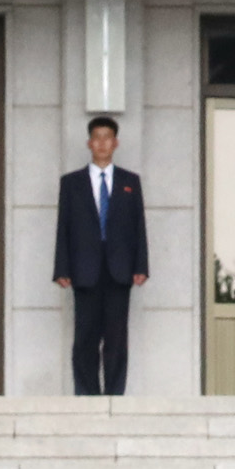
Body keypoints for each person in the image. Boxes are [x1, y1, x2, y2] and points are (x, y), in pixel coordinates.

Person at [54, 114, 149, 397]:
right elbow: (64, 227)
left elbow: (138, 226)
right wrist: (62, 268)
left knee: (117, 338)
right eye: (97, 138)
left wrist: (141, 265)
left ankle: (115, 396)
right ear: (89, 143)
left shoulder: (130, 181)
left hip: (120, 270)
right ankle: (86, 395)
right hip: (85, 269)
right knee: (85, 337)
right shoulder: (72, 183)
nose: (102, 143)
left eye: (108, 137)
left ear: (115, 143)